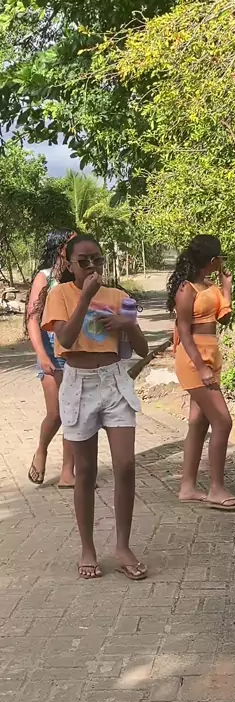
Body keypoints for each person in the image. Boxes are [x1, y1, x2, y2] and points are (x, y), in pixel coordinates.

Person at [42, 233, 149, 579]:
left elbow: (142, 349)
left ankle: (123, 546)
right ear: (69, 263)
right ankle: (87, 548)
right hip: (79, 384)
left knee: (126, 465)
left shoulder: (119, 297)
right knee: (85, 472)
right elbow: (65, 338)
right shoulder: (60, 295)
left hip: (114, 381)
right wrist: (86, 297)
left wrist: (128, 324)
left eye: (97, 260)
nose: (91, 266)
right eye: (83, 261)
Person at [167, 234, 235, 511]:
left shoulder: (210, 286)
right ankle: (216, 489)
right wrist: (200, 367)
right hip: (193, 359)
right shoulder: (185, 289)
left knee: (199, 422)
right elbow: (184, 331)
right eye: (220, 258)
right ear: (212, 260)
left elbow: (224, 317)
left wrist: (227, 288)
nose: (221, 262)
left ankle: (187, 487)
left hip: (212, 356)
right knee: (222, 421)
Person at [26, 229, 76, 487]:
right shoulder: (45, 278)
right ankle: (42, 449)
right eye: (72, 243)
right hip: (52, 353)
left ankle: (68, 473)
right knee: (56, 414)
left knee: (74, 415)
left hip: (77, 353)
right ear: (60, 249)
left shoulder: (80, 277)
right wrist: (41, 354)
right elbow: (32, 319)